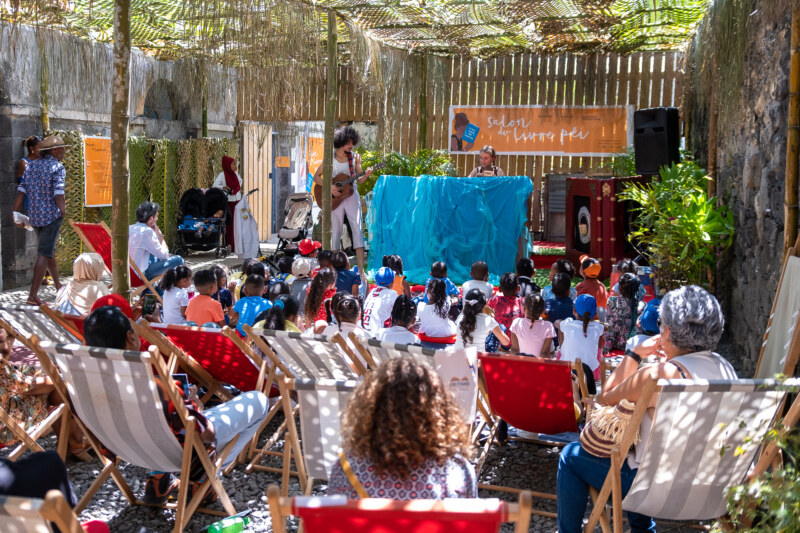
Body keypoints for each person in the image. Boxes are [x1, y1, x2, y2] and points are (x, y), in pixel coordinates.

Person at [557, 286, 736, 533]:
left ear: (668, 331)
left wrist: (633, 354)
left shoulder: (659, 376)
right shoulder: (726, 368)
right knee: (634, 458)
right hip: (713, 490)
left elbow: (603, 399)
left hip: (657, 492)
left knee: (571, 456)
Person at [83, 305, 268, 506]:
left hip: (132, 452)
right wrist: (196, 407)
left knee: (162, 425)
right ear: (131, 337)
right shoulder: (159, 388)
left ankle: (158, 479)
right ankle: (202, 480)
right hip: (179, 454)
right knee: (259, 400)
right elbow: (206, 434)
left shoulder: (87, 389)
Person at [328, 358, 476, 499]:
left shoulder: (346, 470)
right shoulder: (458, 472)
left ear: (372, 409)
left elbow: (332, 524)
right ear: (439, 411)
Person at [311, 126, 375, 276]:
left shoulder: (355, 157)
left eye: (353, 143)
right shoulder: (330, 158)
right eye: (348, 142)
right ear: (340, 142)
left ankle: (360, 270)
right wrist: (330, 186)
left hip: (351, 196)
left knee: (357, 230)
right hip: (335, 199)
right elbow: (316, 177)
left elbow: (360, 180)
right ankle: (335, 270)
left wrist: (367, 174)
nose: (351, 146)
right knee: (336, 232)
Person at [13, 135, 67, 305]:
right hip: (51, 218)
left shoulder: (31, 166)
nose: (64, 151)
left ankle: (58, 286)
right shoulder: (58, 168)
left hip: (35, 218)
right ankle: (33, 296)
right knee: (44, 254)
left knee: (47, 250)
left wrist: (15, 213)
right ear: (54, 150)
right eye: (62, 148)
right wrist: (63, 211)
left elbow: (21, 190)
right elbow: (59, 193)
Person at [556, 294, 603, 392]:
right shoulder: (597, 327)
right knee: (599, 338)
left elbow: (556, 322)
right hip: (591, 374)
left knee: (561, 330)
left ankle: (562, 351)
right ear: (595, 314)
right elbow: (606, 327)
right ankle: (598, 357)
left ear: (574, 311)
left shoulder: (568, 323)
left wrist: (562, 323)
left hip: (568, 370)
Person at [129, 201, 184, 281]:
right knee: (178, 259)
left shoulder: (129, 228)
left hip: (124, 273)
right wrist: (160, 236)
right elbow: (164, 255)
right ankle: (158, 291)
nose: (157, 219)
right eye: (156, 216)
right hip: (138, 276)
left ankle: (148, 291)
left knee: (155, 255)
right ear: (151, 218)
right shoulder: (147, 231)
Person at [212, 155, 243, 254]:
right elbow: (215, 186)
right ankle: (228, 244)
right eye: (233, 164)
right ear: (227, 165)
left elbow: (239, 184)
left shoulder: (236, 175)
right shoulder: (222, 175)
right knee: (229, 225)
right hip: (228, 202)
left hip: (237, 202)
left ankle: (235, 245)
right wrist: (224, 187)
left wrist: (234, 190)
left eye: (235, 163)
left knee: (236, 224)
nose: (235, 165)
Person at [604, 273, 643, 352]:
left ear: (620, 288)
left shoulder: (613, 301)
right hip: (634, 345)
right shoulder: (642, 305)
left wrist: (607, 347)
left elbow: (610, 325)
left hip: (617, 344)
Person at [510, 293, 555, 358]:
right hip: (538, 366)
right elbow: (545, 353)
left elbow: (514, 350)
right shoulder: (548, 326)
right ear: (543, 311)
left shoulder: (516, 322)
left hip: (520, 364)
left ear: (524, 309)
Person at [417, 278, 457, 346]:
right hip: (447, 333)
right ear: (444, 293)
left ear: (427, 291)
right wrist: (457, 298)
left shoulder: (420, 306)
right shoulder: (446, 303)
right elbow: (454, 300)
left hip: (428, 334)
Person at [361, 267, 398, 335]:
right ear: (392, 282)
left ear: (376, 282)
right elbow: (399, 313)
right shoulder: (392, 294)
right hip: (375, 334)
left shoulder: (372, 291)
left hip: (363, 330)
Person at [304, 267, 337, 332]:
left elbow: (308, 312)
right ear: (331, 285)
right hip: (329, 328)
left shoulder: (310, 290)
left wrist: (307, 329)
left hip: (314, 327)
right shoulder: (333, 295)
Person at [576, 255, 608, 320]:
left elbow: (576, 306)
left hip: (586, 319)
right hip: (600, 318)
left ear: (583, 271)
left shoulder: (581, 286)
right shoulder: (602, 286)